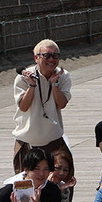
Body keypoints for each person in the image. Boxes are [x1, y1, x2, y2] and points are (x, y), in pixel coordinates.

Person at [12, 39, 72, 173]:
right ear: (36, 57)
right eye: (47, 56)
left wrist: (54, 84)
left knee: (60, 182)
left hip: (53, 140)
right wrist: (32, 85)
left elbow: (62, 104)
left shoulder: (63, 75)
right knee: (26, 186)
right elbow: (23, 106)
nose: (51, 59)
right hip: (27, 141)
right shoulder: (23, 77)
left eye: (55, 56)